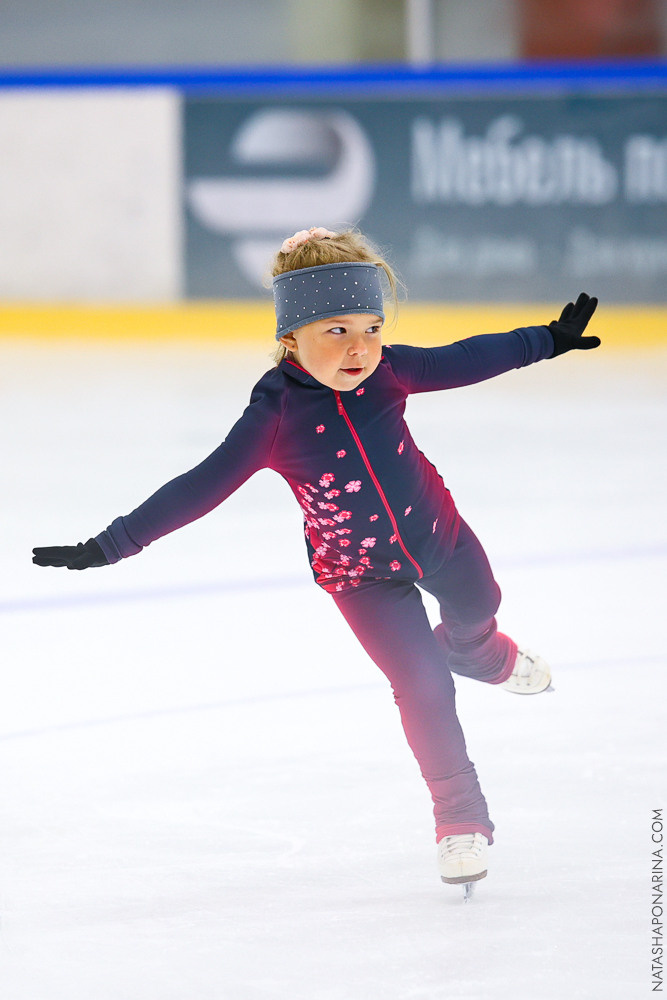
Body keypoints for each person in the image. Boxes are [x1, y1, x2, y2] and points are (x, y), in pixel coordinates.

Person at [32, 226, 600, 890]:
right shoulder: (273, 416)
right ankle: (459, 820)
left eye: (370, 326)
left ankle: (480, 652)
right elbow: (200, 486)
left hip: (437, 535)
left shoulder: (389, 369)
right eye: (335, 330)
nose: (359, 347)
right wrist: (111, 545)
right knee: (423, 688)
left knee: (481, 607)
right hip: (359, 579)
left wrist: (545, 341)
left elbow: (463, 356)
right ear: (290, 338)